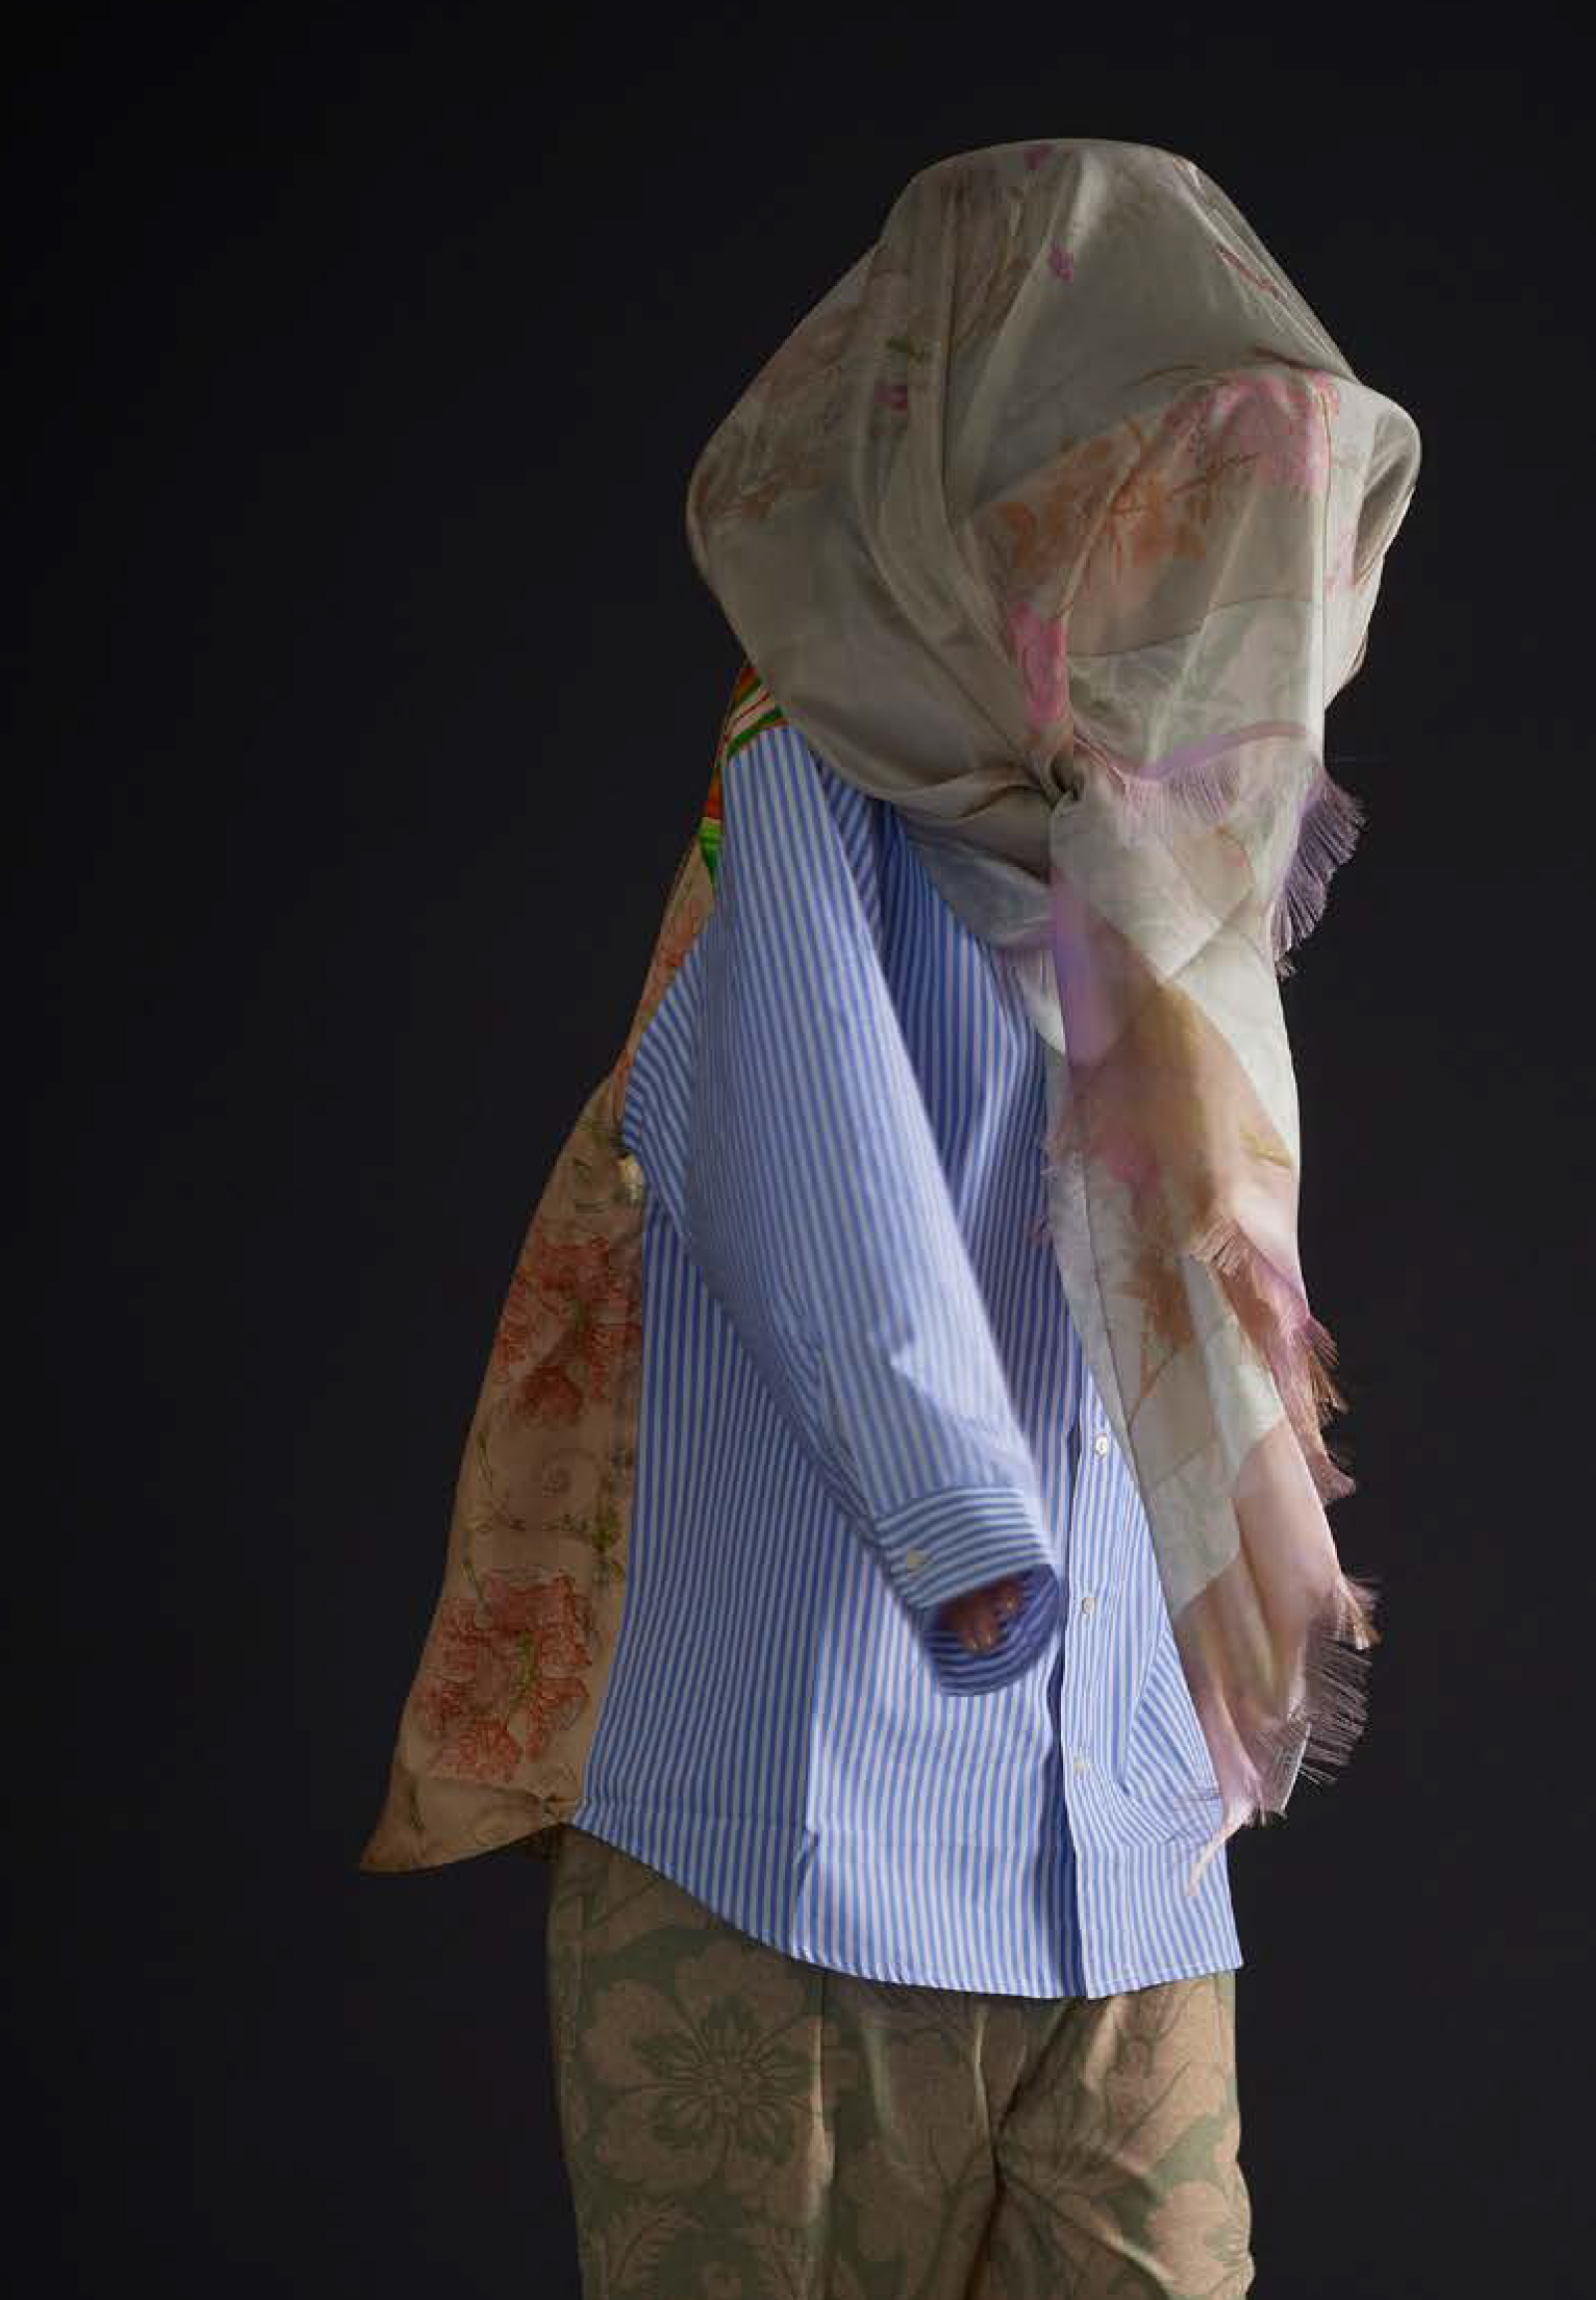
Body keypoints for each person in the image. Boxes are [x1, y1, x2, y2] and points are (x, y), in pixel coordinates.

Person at [359, 138, 1420, 2300]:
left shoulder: (1157, 845)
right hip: (797, 1819)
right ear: (970, 459)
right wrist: (965, 1538)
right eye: (1129, 473)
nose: (1180, 538)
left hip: (1119, 1826)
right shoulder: (813, 768)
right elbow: (807, 1162)